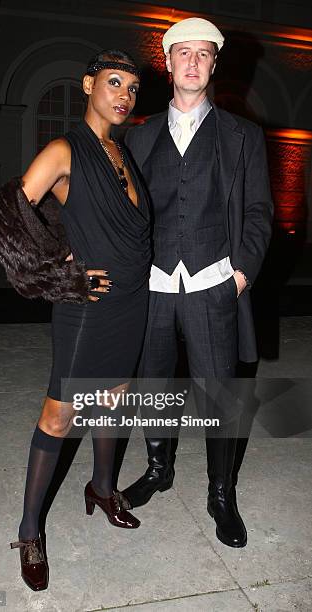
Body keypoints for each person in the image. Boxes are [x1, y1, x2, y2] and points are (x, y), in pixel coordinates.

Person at [121, 18, 273, 548]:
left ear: (213, 64)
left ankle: (220, 493)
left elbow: (258, 212)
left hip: (214, 282)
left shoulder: (243, 135)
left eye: (202, 54)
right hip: (153, 285)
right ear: (167, 63)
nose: (192, 62)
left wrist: (240, 274)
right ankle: (159, 469)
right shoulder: (137, 137)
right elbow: (122, 215)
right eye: (182, 53)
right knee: (152, 385)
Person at [7, 50, 151, 591]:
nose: (123, 95)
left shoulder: (121, 151)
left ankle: (101, 487)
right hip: (87, 308)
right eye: (114, 83)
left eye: (133, 89)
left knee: (113, 400)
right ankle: (28, 530)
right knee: (60, 415)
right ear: (89, 83)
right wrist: (59, 272)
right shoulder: (65, 149)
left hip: (131, 303)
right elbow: (12, 216)